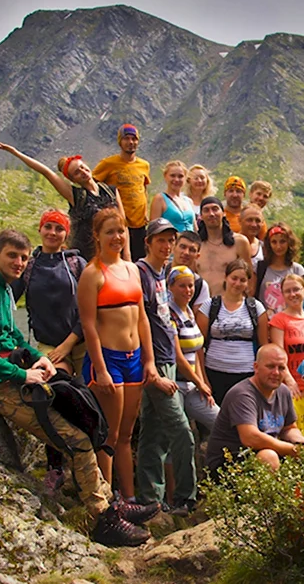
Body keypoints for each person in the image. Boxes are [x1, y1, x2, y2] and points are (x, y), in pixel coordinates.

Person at [0, 229, 151, 547]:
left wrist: (39, 359)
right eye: (11, 256)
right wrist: (22, 376)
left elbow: (14, 338)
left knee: (82, 418)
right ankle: (103, 519)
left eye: (22, 257)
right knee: (76, 439)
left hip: (14, 374)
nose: (18, 263)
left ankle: (110, 503)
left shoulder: (3, 289)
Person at [77, 207, 159, 516]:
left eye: (121, 230)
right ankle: (107, 503)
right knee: (108, 436)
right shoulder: (92, 273)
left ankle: (129, 498)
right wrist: (100, 368)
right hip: (107, 359)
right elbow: (88, 326)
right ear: (96, 236)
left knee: (126, 435)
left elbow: (143, 320)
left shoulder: (132, 269)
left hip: (134, 358)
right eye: (110, 231)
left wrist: (149, 361)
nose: (118, 236)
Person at [9, 209, 87, 495]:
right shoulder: (30, 265)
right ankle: (56, 467)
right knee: (52, 397)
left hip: (81, 341)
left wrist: (70, 343)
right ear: (40, 230)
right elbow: (8, 299)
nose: (53, 233)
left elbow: (89, 307)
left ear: (66, 234)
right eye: (48, 227)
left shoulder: (77, 263)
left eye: (59, 229)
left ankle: (92, 468)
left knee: (89, 402)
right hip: (47, 347)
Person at [133, 218, 197, 515]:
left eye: (171, 240)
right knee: (181, 431)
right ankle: (185, 497)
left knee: (153, 433)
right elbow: (139, 321)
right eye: (161, 239)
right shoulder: (141, 272)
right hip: (154, 362)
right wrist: (151, 368)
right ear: (148, 242)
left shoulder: (162, 274)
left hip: (166, 359)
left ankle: (149, 499)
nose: (167, 245)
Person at [0, 142, 127, 263]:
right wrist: (15, 152)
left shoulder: (111, 191)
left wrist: (127, 255)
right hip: (85, 257)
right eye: (77, 172)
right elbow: (47, 172)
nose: (83, 172)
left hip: (113, 254)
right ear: (73, 180)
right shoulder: (76, 196)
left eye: (83, 167)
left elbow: (123, 225)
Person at [205, 344, 304, 478]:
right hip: (228, 465)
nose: (276, 373)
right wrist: (291, 450)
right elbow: (250, 438)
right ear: (256, 367)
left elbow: (289, 428)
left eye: (281, 368)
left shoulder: (283, 392)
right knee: (268, 457)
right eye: (270, 366)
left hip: (265, 453)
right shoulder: (242, 394)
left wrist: (300, 442)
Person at [197, 259, 269, 404]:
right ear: (226, 277)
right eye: (234, 278)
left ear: (247, 283)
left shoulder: (256, 308)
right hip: (214, 372)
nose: (237, 283)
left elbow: (264, 346)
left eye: (242, 280)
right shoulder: (210, 306)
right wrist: (202, 379)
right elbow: (198, 345)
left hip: (246, 374)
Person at [167, 265, 219, 433]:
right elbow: (178, 357)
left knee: (219, 421)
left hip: (193, 384)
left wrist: (201, 382)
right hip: (177, 384)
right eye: (182, 286)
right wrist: (199, 383)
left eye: (190, 286)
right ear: (171, 287)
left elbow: (195, 350)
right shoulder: (169, 314)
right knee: (178, 436)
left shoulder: (189, 311)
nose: (187, 290)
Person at [93, 124, 152, 261]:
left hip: (140, 225)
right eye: (126, 138)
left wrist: (145, 211)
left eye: (134, 139)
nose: (131, 142)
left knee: (140, 261)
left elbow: (144, 188)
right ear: (120, 141)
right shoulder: (108, 163)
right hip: (118, 225)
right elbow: (92, 183)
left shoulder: (144, 165)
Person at [269, 274, 304, 393]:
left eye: (296, 289)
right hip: (291, 387)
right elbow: (278, 356)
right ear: (282, 295)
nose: (292, 294)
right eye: (287, 291)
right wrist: (289, 381)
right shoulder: (278, 320)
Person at [196, 197, 252, 296]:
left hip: (230, 304)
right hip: (202, 306)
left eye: (215, 209)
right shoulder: (196, 245)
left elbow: (250, 277)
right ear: (201, 216)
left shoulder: (239, 242)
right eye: (206, 210)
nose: (211, 214)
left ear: (223, 213)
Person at [254, 223, 304, 316]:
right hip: (265, 323)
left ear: (289, 243)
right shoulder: (259, 268)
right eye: (274, 242)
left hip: (291, 321)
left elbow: (301, 299)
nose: (278, 246)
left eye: (282, 241)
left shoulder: (297, 270)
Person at [149, 161, 197, 233]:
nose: (176, 179)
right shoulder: (160, 199)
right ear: (165, 176)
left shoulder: (188, 201)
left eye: (180, 176)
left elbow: (195, 229)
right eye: (172, 176)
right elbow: (153, 230)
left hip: (191, 242)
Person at [172, 231, 212, 311]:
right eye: (182, 247)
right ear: (174, 247)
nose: (186, 253)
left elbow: (199, 320)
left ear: (198, 256)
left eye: (192, 250)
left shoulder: (200, 286)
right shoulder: (159, 274)